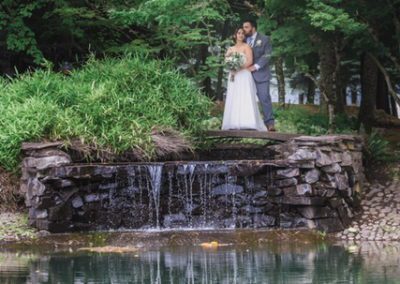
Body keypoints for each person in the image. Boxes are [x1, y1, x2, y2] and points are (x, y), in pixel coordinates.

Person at [221, 28, 267, 131]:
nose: (241, 35)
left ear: (245, 36)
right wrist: (231, 66)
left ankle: (248, 122)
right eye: (239, 33)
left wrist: (238, 67)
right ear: (235, 35)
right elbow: (226, 61)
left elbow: (250, 61)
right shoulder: (231, 49)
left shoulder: (247, 47)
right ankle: (232, 122)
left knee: (245, 96)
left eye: (243, 34)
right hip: (234, 75)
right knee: (234, 96)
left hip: (244, 75)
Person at [243, 19, 275, 131]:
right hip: (245, 76)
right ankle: (246, 123)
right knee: (245, 99)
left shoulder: (264, 39)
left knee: (264, 98)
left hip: (261, 74)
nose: (244, 29)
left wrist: (256, 66)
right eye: (244, 27)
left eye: (246, 27)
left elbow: (267, 55)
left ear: (253, 28)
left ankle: (270, 123)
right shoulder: (243, 40)